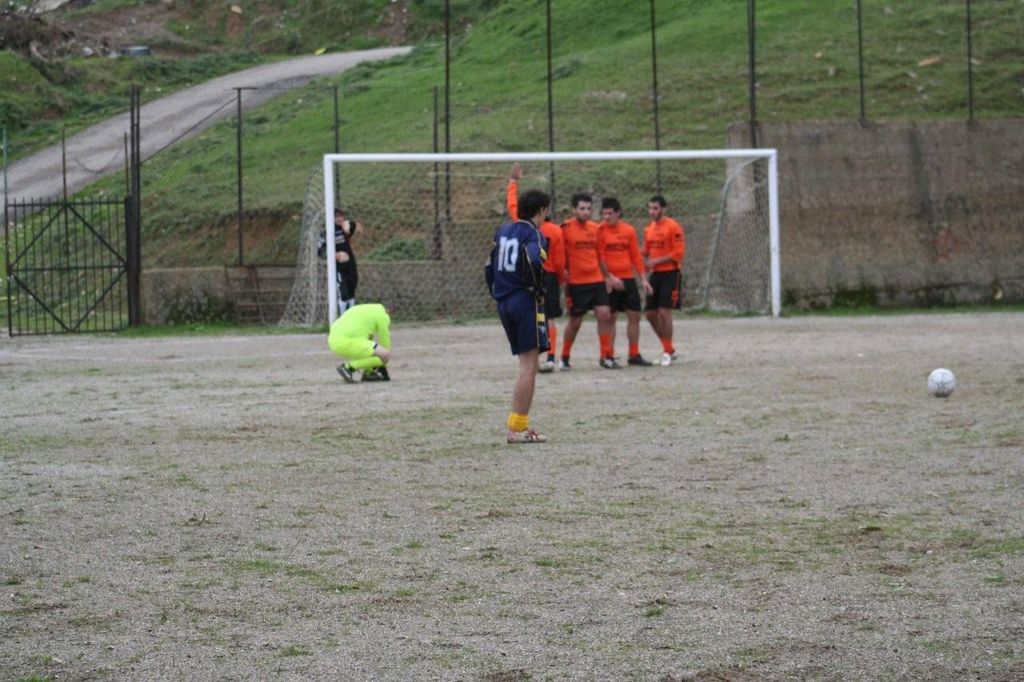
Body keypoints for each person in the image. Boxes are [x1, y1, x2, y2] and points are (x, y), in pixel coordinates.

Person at [486, 188, 551, 444]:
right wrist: (539, 289)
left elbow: (489, 265)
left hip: (504, 301)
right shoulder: (533, 233)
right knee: (528, 367)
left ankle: (518, 426)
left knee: (525, 365)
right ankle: (518, 428)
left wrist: (496, 291)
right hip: (523, 300)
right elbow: (534, 260)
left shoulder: (503, 231)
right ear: (542, 210)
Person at [506, 162, 566, 373]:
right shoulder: (556, 231)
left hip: (526, 277)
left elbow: (512, 206)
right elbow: (559, 261)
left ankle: (532, 359)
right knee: (548, 318)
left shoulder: (522, 225)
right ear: (543, 210)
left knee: (531, 318)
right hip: (548, 276)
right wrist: (561, 279)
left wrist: (512, 182)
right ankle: (551, 357)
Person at [559, 192, 616, 370]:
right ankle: (564, 357)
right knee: (575, 322)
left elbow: (600, 255)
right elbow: (559, 253)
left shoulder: (596, 228)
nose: (585, 212)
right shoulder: (565, 228)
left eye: (588, 209)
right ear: (573, 209)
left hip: (596, 280)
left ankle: (606, 356)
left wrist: (607, 277)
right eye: (582, 208)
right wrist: (562, 273)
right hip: (576, 282)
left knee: (605, 315)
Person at [597, 197, 654, 366]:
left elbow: (635, 256)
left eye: (610, 213)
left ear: (618, 213)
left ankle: (634, 354)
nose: (607, 217)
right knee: (610, 317)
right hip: (610, 280)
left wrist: (643, 279)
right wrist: (608, 278)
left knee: (634, 315)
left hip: (628, 278)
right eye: (604, 213)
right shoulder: (599, 231)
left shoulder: (628, 230)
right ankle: (607, 354)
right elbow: (598, 257)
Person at [642, 195, 686, 366]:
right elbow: (646, 251)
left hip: (670, 273)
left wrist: (657, 261)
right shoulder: (649, 229)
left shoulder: (673, 227)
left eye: (655, 208)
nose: (652, 212)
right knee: (650, 314)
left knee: (663, 311)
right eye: (650, 208)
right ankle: (669, 348)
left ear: (663, 209)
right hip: (655, 275)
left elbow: (678, 253)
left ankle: (667, 352)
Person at [328, 302, 391, 383]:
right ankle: (348, 367)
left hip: (333, 340)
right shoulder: (383, 315)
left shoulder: (365, 309)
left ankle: (369, 373)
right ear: (389, 312)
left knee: (371, 349)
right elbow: (385, 343)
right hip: (347, 341)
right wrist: (383, 365)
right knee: (385, 354)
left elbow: (368, 344)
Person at [317, 207, 362, 314]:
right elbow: (320, 250)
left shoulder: (345, 226)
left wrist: (354, 227)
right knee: (344, 293)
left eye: (341, 216)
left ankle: (351, 316)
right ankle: (342, 317)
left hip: (351, 264)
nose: (339, 219)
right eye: (336, 217)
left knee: (351, 291)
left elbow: (359, 227)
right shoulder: (326, 231)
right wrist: (335, 255)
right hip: (338, 267)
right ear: (330, 218)